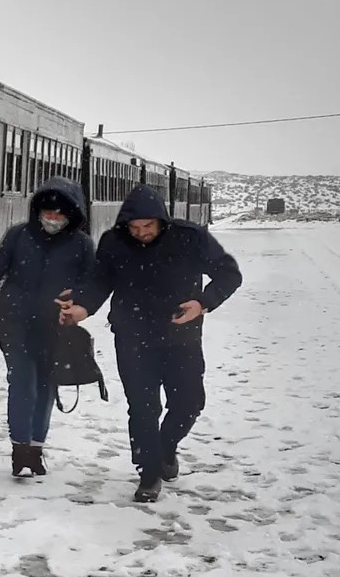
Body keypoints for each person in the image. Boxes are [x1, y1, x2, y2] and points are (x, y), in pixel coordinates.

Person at [59, 184, 242, 503]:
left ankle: (165, 448)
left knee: (188, 403)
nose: (141, 233)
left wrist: (203, 303)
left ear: (162, 221)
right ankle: (148, 473)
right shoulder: (114, 242)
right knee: (143, 407)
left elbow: (229, 275)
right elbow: (100, 280)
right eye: (134, 227)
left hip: (181, 337)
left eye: (147, 226)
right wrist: (83, 307)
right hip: (133, 337)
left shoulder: (190, 238)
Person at [0, 177, 95, 478]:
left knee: (46, 386)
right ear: (37, 211)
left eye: (59, 214)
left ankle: (36, 449)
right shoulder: (18, 235)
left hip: (55, 327)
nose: (52, 219)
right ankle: (20, 449)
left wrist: (78, 302)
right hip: (14, 322)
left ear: (71, 215)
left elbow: (92, 282)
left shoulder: (82, 244)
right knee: (22, 382)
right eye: (47, 212)